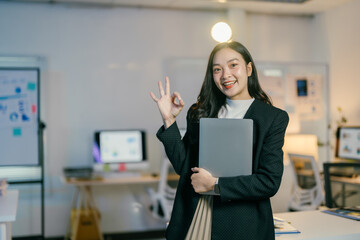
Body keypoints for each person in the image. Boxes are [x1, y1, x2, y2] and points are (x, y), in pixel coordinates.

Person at [150, 41, 289, 240]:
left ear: (249, 69)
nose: (225, 75)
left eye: (233, 65)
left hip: (244, 224)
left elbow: (269, 182)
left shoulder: (273, 118)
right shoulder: (200, 112)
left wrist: (215, 184)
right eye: (217, 69)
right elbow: (185, 168)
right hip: (199, 218)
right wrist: (169, 119)